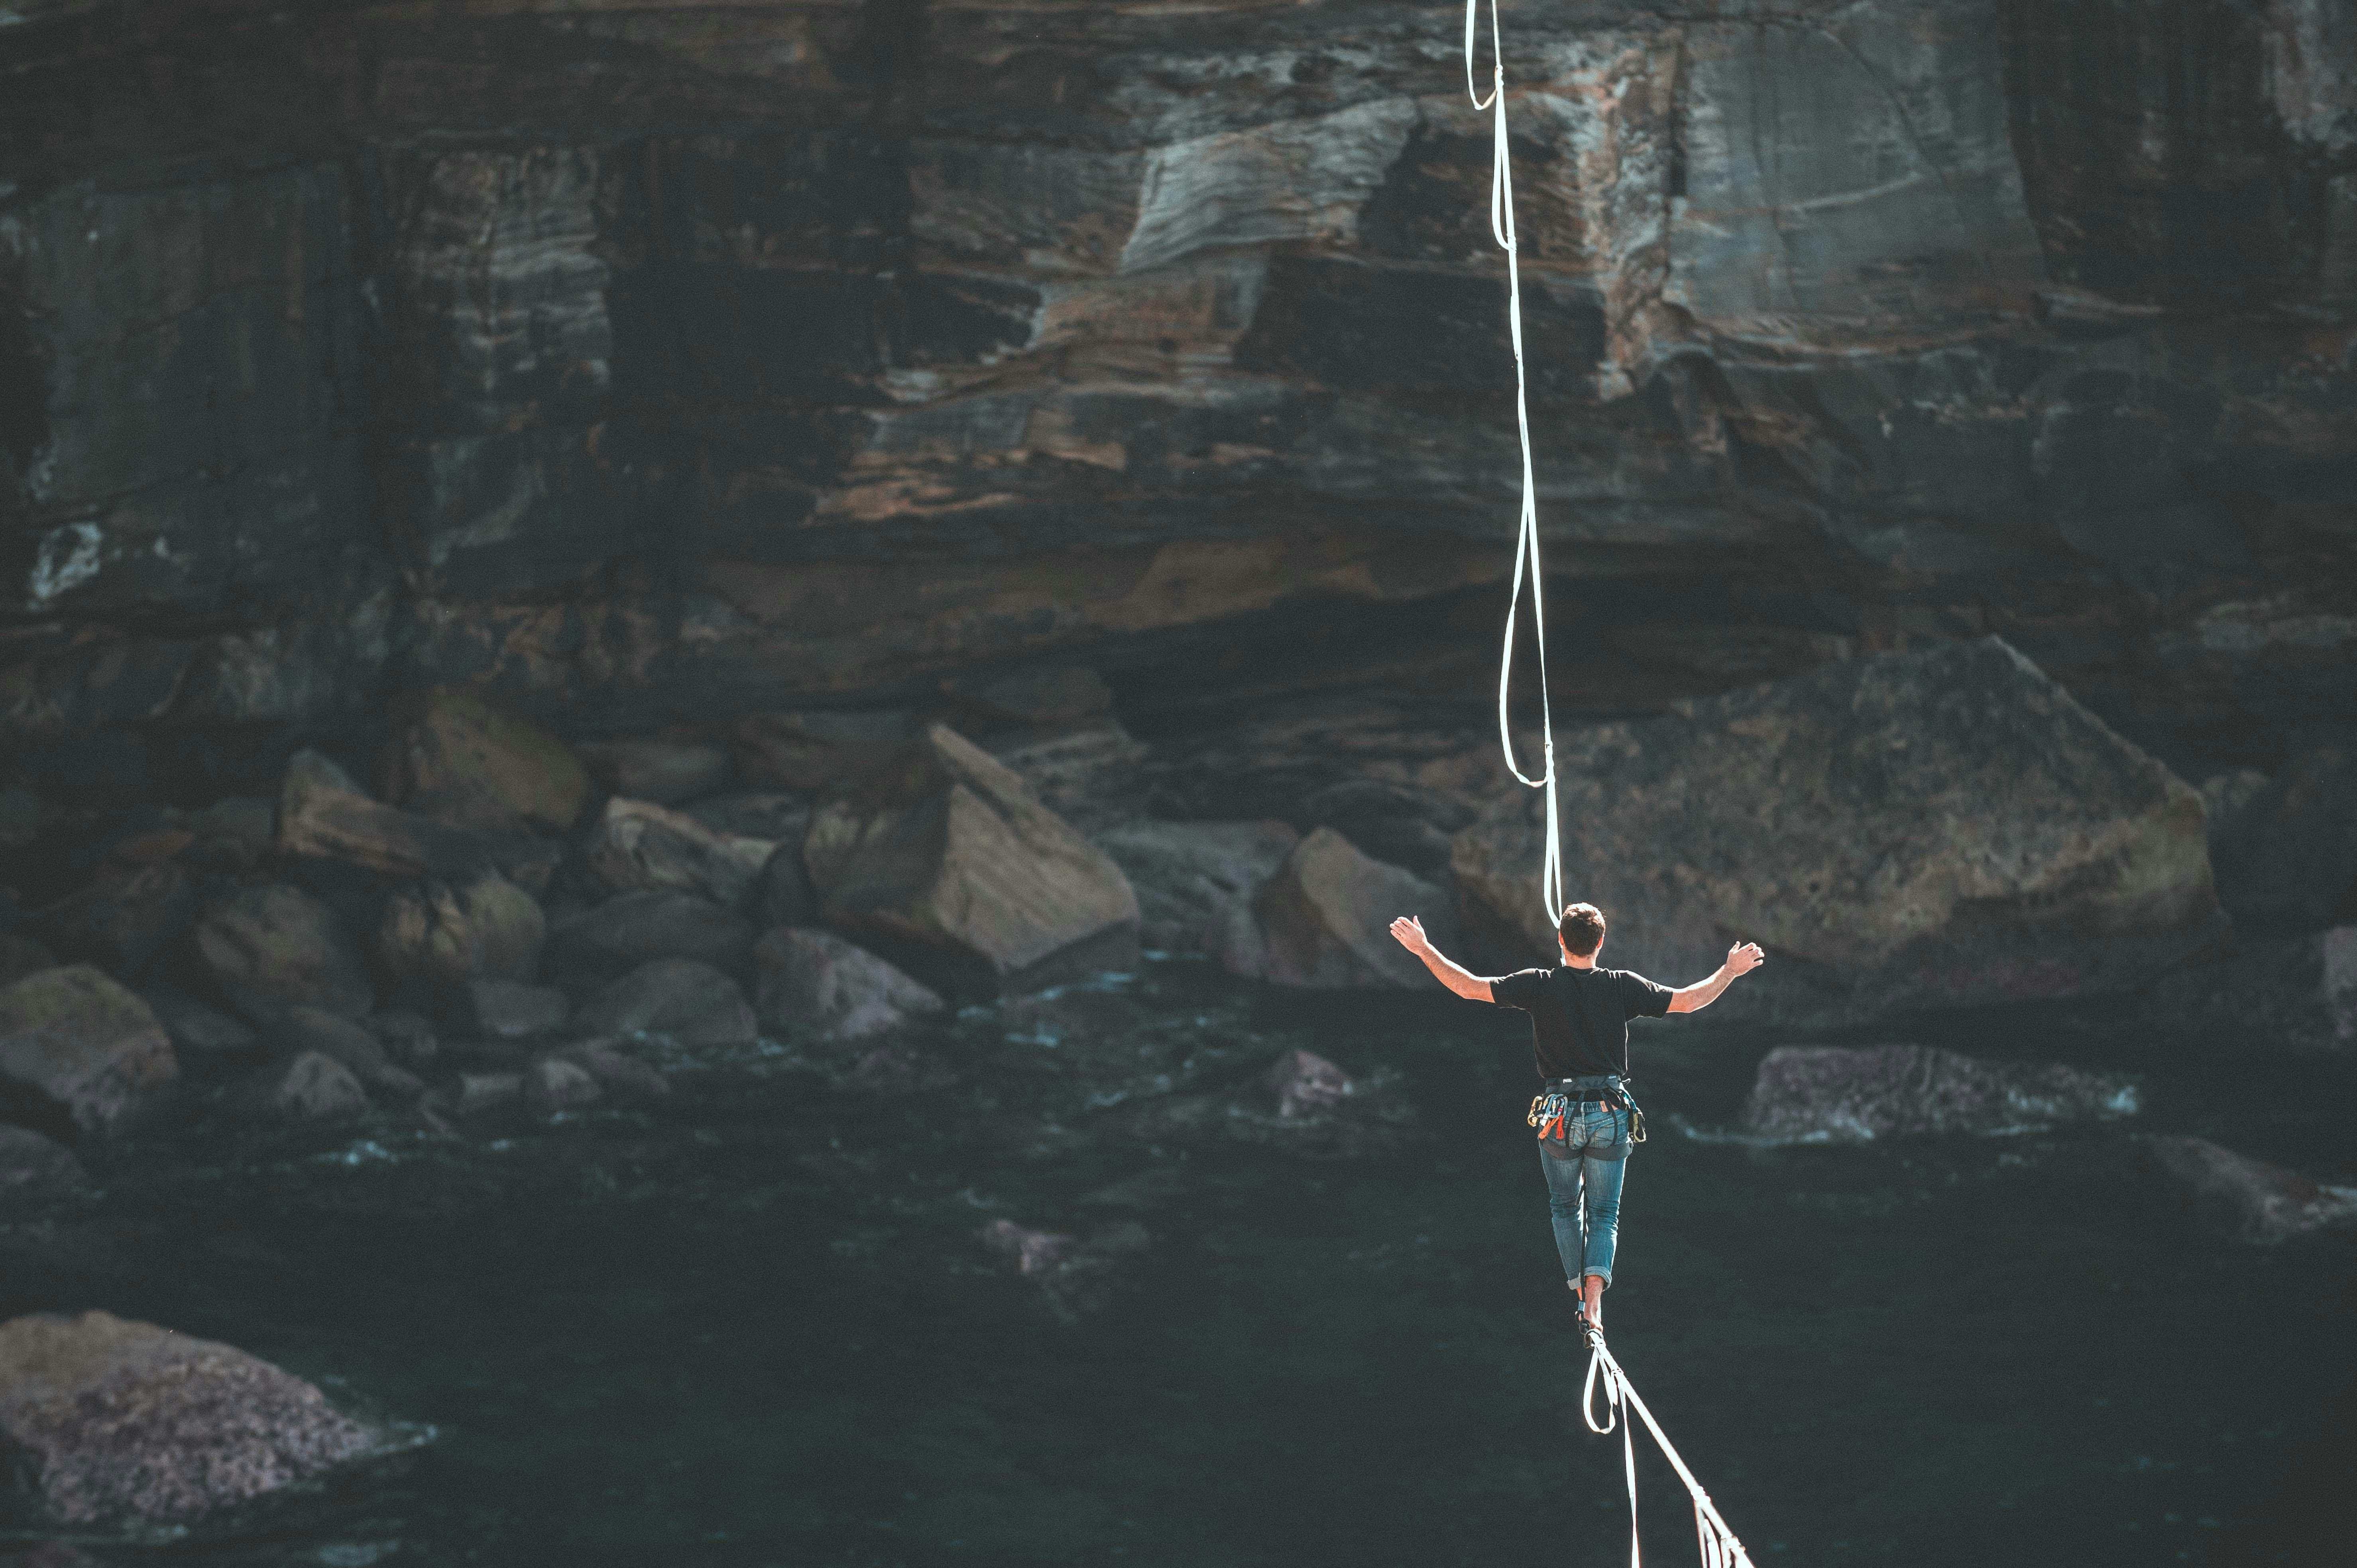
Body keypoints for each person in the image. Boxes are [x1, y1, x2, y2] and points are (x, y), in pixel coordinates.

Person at [1388, 903, 1763, 1332]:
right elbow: (1688, 1002)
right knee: (1604, 1214)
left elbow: (1468, 987)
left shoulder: (1538, 985)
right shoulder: (1623, 986)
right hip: (1609, 1112)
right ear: (1601, 942)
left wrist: (1423, 949)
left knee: (1565, 1208)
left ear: (1560, 940)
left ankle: (1579, 1293)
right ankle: (1595, 1303)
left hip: (1559, 1115)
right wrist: (1731, 970)